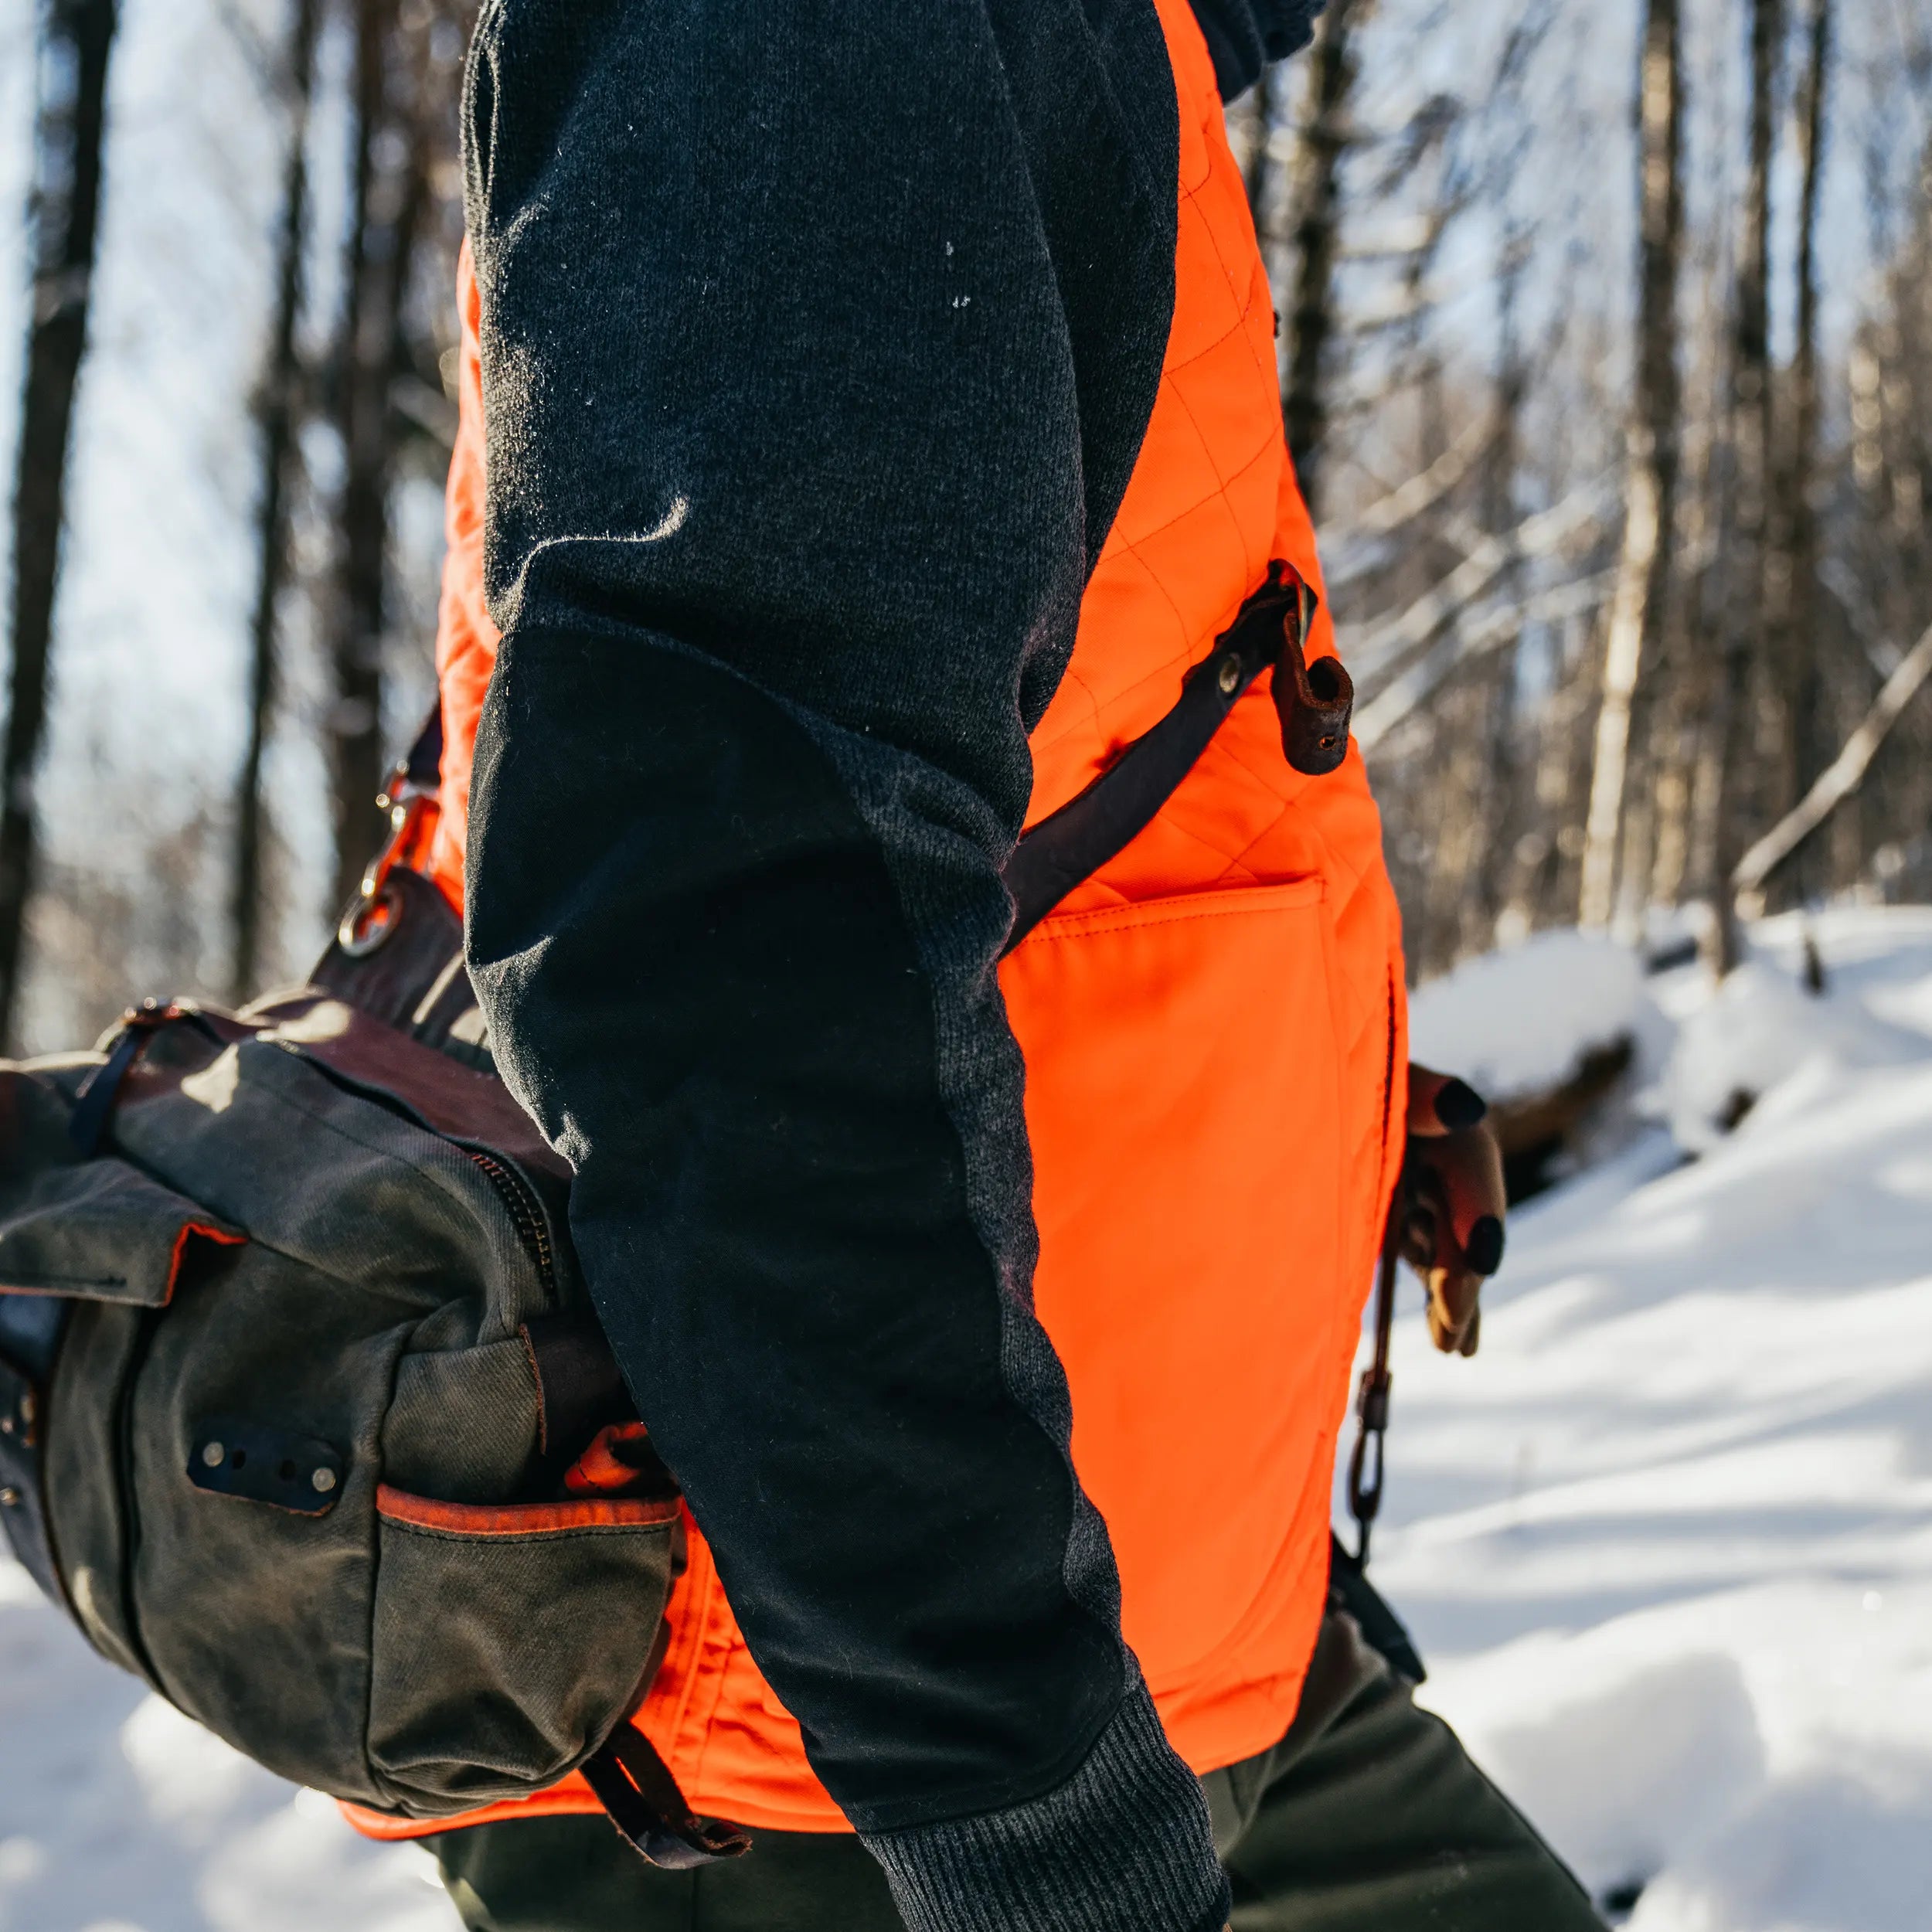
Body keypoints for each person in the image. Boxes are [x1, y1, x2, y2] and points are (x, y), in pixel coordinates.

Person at [345, 2, 1607, 1927]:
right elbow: (719, 946)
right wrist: (1022, 1811)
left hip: (1140, 1625)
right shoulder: (828, 42)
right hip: (849, 1761)